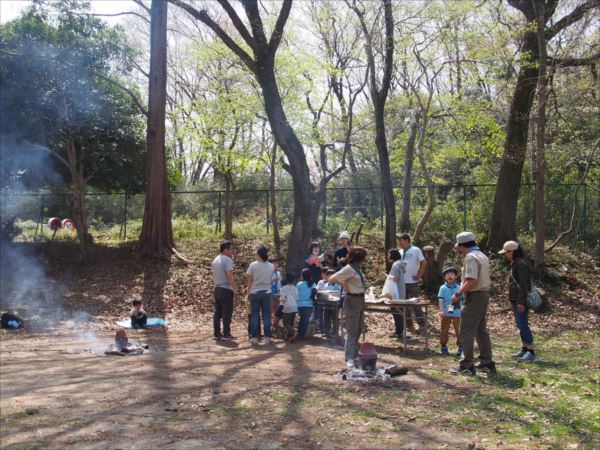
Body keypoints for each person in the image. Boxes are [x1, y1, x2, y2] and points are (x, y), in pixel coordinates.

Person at [450, 231, 496, 376]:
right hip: (483, 295)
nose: (459, 250)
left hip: (474, 296)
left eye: (459, 247)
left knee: (466, 331)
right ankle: (486, 362)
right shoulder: (482, 255)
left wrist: (458, 293)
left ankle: (467, 365)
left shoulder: (470, 257)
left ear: (463, 246)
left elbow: (471, 279)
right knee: (481, 330)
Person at [499, 240, 538, 362]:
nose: (505, 255)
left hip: (520, 300)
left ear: (513, 251)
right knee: (520, 324)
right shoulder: (516, 263)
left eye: (507, 252)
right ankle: (525, 348)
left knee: (523, 324)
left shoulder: (520, 264)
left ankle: (531, 351)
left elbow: (523, 284)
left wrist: (521, 302)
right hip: (515, 299)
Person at [329, 246, 368, 369]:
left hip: (360, 300)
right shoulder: (349, 269)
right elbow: (332, 278)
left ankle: (355, 355)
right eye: (363, 258)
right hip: (352, 300)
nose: (364, 260)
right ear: (358, 259)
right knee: (352, 330)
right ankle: (349, 358)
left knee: (359, 329)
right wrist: (344, 284)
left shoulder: (357, 269)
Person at [397, 233, 427, 332]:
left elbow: (423, 262)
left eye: (400, 240)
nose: (399, 243)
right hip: (401, 282)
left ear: (406, 240)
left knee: (415, 304)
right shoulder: (400, 252)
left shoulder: (415, 250)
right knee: (404, 305)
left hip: (412, 281)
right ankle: (409, 325)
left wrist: (420, 275)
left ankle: (422, 324)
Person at [247, 246, 274, 344]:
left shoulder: (253, 265)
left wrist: (248, 293)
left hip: (254, 292)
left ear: (258, 254)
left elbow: (249, 281)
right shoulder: (271, 266)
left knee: (255, 315)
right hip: (267, 292)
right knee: (266, 315)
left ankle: (254, 337)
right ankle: (268, 337)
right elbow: (270, 279)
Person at [211, 241, 237, 340]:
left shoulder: (215, 259)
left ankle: (217, 333)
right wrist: (234, 287)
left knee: (218, 312)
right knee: (227, 312)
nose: (232, 251)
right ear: (225, 250)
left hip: (217, 288)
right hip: (225, 289)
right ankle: (226, 334)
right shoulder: (227, 260)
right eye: (230, 249)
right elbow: (229, 274)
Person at [438, 267, 462, 357]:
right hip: (446, 313)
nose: (450, 276)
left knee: (459, 330)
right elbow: (441, 300)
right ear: (445, 277)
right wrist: (441, 311)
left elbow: (463, 299)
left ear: (456, 276)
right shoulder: (442, 288)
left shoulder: (459, 288)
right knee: (444, 329)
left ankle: (461, 347)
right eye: (447, 274)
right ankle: (443, 346)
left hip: (457, 312)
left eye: (452, 274)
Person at [387, 248, 407, 339]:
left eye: (389, 254)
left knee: (396, 312)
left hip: (396, 293)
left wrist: (387, 277)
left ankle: (399, 332)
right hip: (401, 291)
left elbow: (395, 278)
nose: (388, 257)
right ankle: (399, 331)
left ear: (392, 255)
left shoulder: (395, 264)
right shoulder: (400, 263)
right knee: (399, 312)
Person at [306, 242, 325, 333]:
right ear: (311, 248)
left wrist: (320, 265)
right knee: (311, 300)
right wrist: (315, 261)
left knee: (319, 301)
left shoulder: (322, 258)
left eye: (318, 247)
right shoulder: (309, 257)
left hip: (320, 282)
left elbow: (325, 270)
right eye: (315, 248)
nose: (317, 249)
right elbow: (308, 265)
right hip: (311, 282)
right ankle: (310, 320)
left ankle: (318, 322)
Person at [318, 268, 342, 338]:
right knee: (326, 318)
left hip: (335, 305)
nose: (330, 278)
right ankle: (327, 332)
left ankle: (335, 332)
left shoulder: (337, 284)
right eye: (329, 276)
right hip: (327, 304)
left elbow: (340, 293)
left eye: (332, 276)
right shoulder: (326, 285)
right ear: (326, 277)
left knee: (335, 318)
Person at [279, 271, 299, 342]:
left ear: (286, 279)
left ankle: (294, 332)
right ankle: (290, 337)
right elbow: (297, 298)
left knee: (285, 322)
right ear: (294, 280)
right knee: (290, 322)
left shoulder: (283, 288)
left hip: (287, 308)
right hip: (295, 307)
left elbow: (283, 299)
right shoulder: (295, 288)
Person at [296, 268, 317, 339]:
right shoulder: (313, 283)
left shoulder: (299, 284)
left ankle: (299, 334)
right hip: (309, 305)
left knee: (302, 319)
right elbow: (314, 291)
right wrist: (312, 298)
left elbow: (296, 293)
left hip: (300, 305)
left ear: (302, 276)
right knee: (305, 321)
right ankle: (301, 335)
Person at [270, 257, 282, 323]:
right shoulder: (268, 273)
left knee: (277, 307)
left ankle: (275, 322)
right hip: (270, 291)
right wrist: (273, 280)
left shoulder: (278, 273)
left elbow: (280, 283)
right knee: (271, 306)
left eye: (276, 263)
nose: (276, 265)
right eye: (274, 263)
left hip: (278, 291)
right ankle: (269, 322)